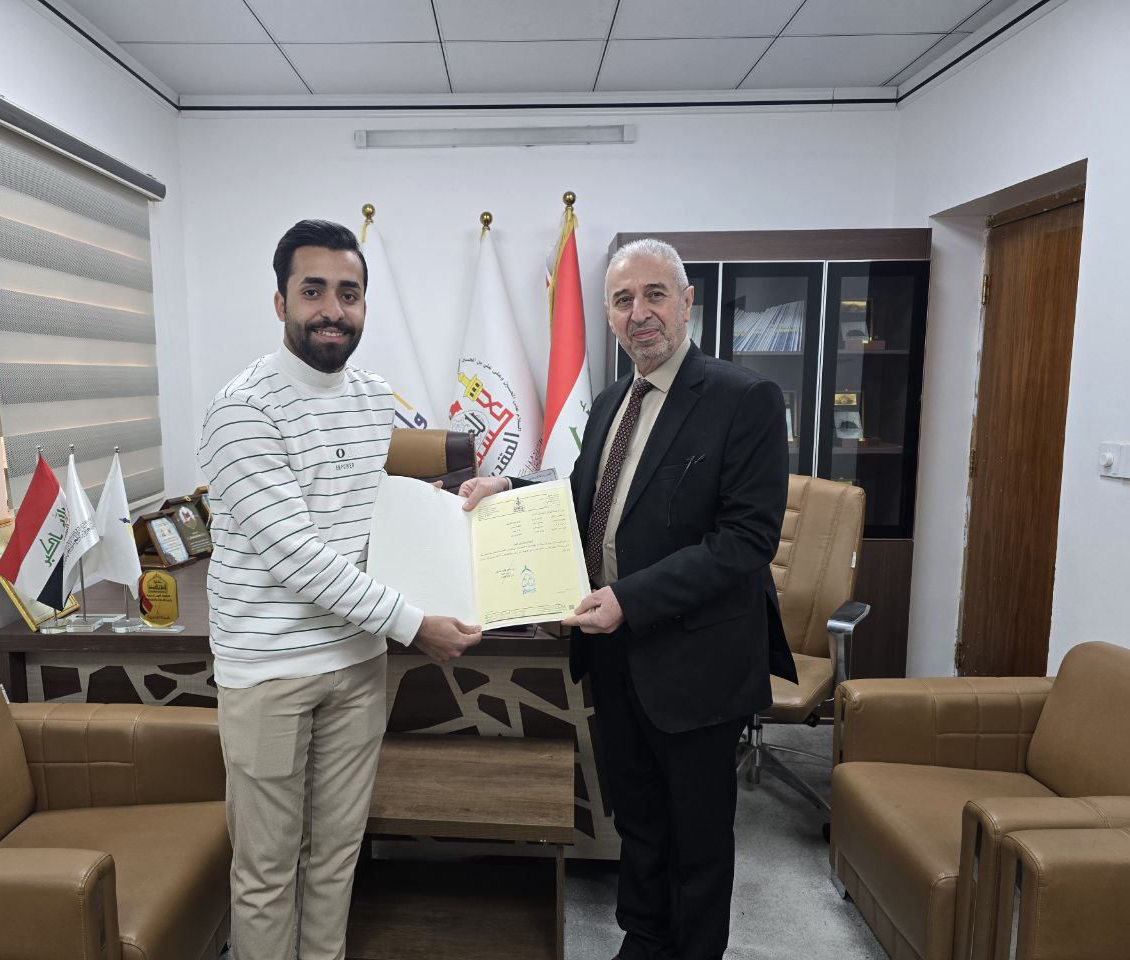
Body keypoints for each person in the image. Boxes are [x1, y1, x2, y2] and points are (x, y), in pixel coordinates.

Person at [460, 238, 793, 960]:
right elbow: (585, 497)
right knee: (638, 820)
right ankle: (643, 940)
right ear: (609, 316)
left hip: (698, 662)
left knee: (698, 835)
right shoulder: (613, 399)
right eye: (622, 299)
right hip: (615, 655)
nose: (639, 312)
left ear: (686, 302)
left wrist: (628, 600)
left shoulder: (745, 399)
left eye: (654, 294)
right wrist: (508, 488)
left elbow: (746, 540)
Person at [198, 219, 482, 960]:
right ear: (281, 301)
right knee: (267, 871)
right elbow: (298, 555)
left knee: (335, 857)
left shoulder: (373, 397)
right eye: (314, 291)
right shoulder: (243, 409)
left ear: (363, 304)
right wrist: (414, 623)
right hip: (271, 672)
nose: (333, 309)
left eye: (349, 293)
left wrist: (462, 512)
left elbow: (372, 517)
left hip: (356, 664)